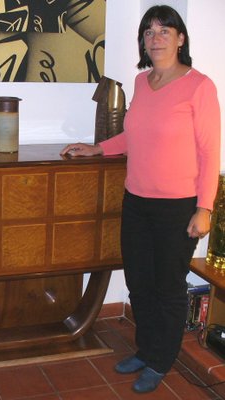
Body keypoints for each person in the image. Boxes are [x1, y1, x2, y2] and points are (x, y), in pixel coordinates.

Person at [61, 5, 221, 394]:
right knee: (138, 282)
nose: (156, 37)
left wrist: (205, 209)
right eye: (149, 31)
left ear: (181, 38)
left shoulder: (200, 86)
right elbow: (134, 137)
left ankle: (161, 360)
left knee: (167, 287)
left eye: (165, 30)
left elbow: (210, 152)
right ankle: (146, 349)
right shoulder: (140, 83)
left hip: (178, 206)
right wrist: (97, 148)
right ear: (143, 42)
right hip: (137, 199)